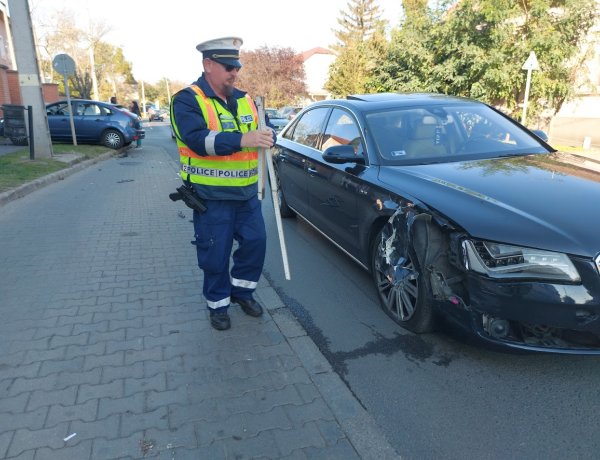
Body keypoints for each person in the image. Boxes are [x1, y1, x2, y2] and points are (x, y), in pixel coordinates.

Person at [170, 36, 275, 331]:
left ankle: (242, 292)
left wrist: (269, 136)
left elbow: (265, 129)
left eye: (236, 66)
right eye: (228, 66)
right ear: (208, 65)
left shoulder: (245, 99)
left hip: (246, 194)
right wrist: (245, 139)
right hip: (211, 196)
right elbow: (196, 140)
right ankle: (217, 304)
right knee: (215, 253)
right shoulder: (187, 100)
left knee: (255, 244)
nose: (234, 72)